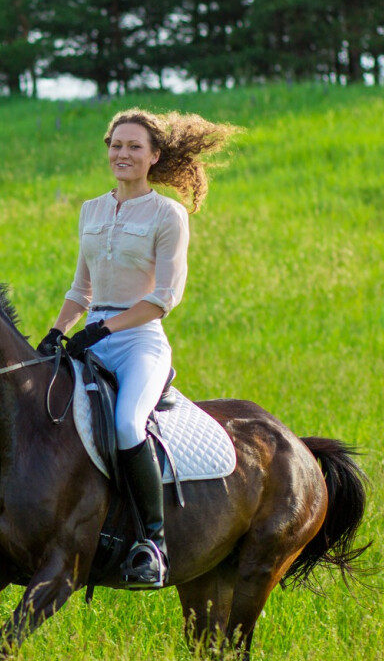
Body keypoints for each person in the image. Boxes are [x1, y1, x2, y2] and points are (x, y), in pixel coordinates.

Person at [39, 108, 239, 588]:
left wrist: (102, 331)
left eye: (133, 147)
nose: (122, 154)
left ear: (153, 157)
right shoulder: (91, 209)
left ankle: (153, 542)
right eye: (115, 145)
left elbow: (164, 298)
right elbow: (80, 289)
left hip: (137, 343)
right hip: (90, 336)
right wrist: (57, 330)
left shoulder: (167, 214)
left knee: (129, 423)